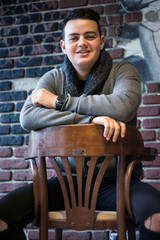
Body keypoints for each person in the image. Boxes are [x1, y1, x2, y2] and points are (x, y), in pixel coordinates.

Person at [0, 8, 160, 240]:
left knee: (157, 218)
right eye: (74, 38)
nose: (82, 43)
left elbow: (123, 107)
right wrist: (91, 120)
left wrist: (59, 101)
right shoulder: (53, 78)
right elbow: (28, 116)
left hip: (115, 184)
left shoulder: (123, 71)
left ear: (102, 41)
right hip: (63, 183)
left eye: (90, 36)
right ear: (64, 46)